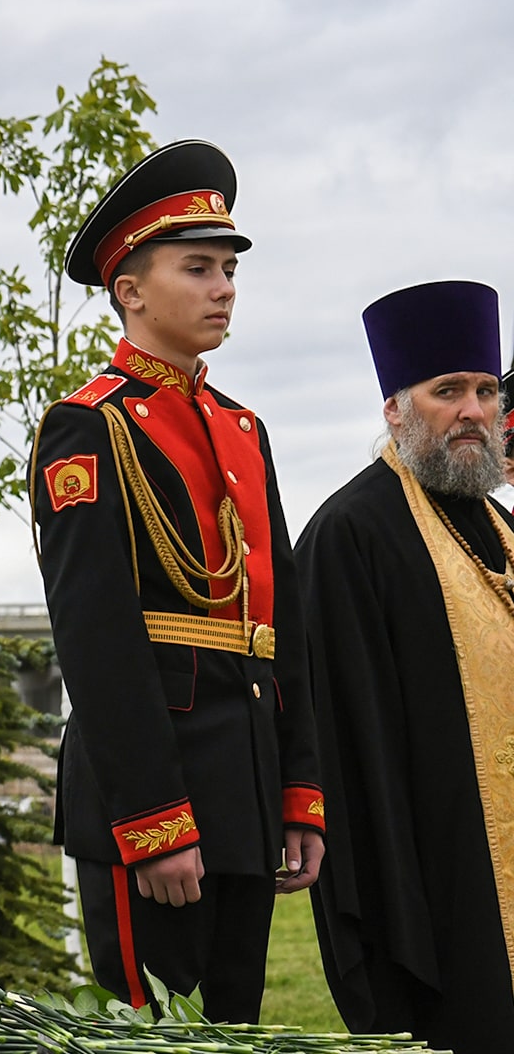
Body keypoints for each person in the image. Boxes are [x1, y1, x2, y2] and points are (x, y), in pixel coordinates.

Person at [28, 139, 325, 1020]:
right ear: (129, 289)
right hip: (154, 797)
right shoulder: (88, 428)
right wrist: (156, 818)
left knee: (233, 1030)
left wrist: (299, 795)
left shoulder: (242, 429)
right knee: (147, 1032)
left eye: (229, 268)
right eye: (198, 267)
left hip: (246, 784)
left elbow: (281, 626)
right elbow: (98, 639)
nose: (224, 287)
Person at [297, 281, 514, 1053]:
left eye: (485, 391)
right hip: (440, 892)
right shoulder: (347, 535)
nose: (472, 411)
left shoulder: (501, 524)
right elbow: (346, 744)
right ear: (394, 407)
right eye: (446, 390)